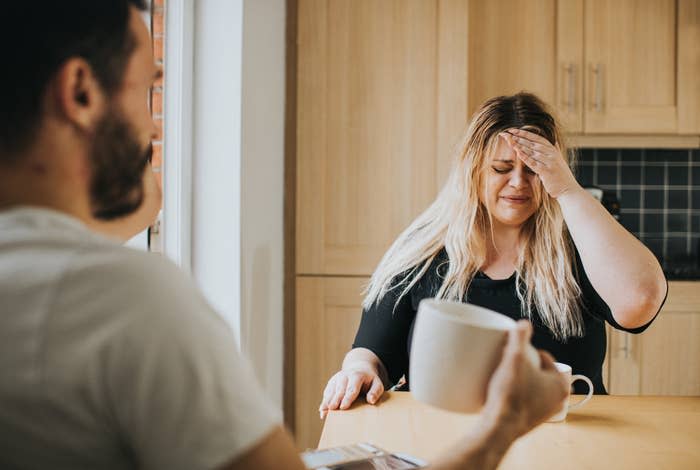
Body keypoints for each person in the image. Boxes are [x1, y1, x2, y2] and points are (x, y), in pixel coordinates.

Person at [0, 2, 568, 469]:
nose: (154, 125)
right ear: (79, 92)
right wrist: (504, 426)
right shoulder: (122, 300)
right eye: (148, 90)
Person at [319, 92, 667, 416]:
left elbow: (640, 301)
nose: (518, 182)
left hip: (564, 446)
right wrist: (358, 370)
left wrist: (568, 190)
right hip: (445, 442)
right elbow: (374, 352)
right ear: (473, 170)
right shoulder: (422, 251)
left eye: (534, 170)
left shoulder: (581, 249)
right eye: (502, 169)